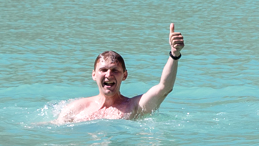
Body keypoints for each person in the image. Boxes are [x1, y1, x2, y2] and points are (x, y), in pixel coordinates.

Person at [57, 24, 185, 122]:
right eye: (103, 70)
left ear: (124, 75)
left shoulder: (134, 107)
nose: (108, 75)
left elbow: (164, 88)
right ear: (94, 75)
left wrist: (174, 54)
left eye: (115, 70)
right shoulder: (76, 108)